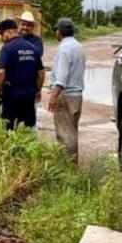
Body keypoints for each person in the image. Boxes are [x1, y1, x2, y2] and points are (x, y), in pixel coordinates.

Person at [47, 18, 86, 162]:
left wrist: (53, 96)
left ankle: (68, 166)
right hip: (76, 96)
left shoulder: (64, 48)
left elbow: (62, 77)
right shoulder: (78, 46)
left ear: (60, 31)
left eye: (57, 30)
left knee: (65, 134)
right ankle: (71, 165)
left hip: (66, 96)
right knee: (72, 131)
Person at [0, 18, 44, 130]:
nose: (2, 38)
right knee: (27, 127)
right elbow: (41, 73)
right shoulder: (33, 48)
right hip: (29, 95)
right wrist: (38, 90)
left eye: (2, 34)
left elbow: (0, 72)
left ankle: (12, 147)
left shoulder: (7, 48)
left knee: (9, 128)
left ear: (10, 32)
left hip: (12, 95)